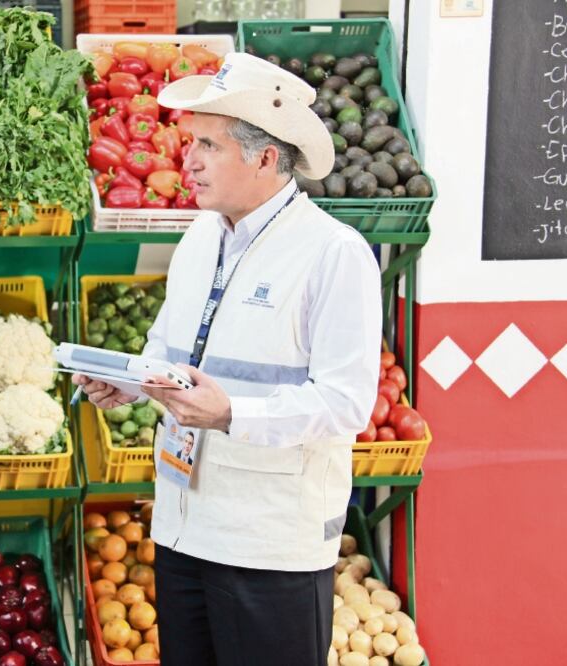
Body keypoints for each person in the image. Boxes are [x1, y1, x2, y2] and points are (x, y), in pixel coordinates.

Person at [76, 52, 382, 665]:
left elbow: (346, 403)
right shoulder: (199, 236)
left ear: (265, 158)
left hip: (271, 546)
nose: (186, 159)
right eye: (190, 143)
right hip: (185, 529)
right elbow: (169, 349)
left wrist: (230, 414)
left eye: (207, 146)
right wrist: (132, 383)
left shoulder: (333, 254)